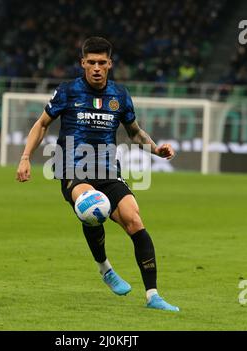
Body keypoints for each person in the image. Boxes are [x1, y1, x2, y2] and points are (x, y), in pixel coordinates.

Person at [16, 37, 179, 311]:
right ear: (82, 63)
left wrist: (155, 149)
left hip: (107, 170)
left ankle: (153, 295)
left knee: (134, 219)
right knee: (92, 205)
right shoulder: (68, 91)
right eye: (91, 62)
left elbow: (135, 132)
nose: (96, 68)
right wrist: (24, 158)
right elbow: (42, 124)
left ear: (110, 64)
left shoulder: (120, 94)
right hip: (73, 168)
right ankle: (105, 269)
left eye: (101, 63)